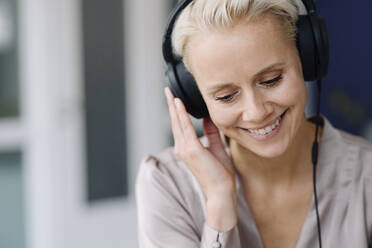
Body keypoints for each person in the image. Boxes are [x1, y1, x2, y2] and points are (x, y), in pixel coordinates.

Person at [135, 0, 372, 247]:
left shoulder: (365, 175)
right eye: (226, 96)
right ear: (195, 99)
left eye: (271, 80)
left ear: (306, 58)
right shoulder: (168, 184)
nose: (256, 112)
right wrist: (219, 203)